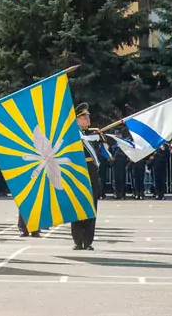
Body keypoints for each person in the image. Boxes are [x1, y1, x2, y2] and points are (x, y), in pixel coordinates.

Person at [70, 103, 101, 251]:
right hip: (78, 171)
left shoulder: (92, 134)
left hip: (91, 171)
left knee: (91, 205)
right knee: (77, 205)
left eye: (88, 116)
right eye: (84, 117)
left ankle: (88, 241)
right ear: (77, 120)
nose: (88, 119)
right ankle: (77, 240)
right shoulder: (73, 134)